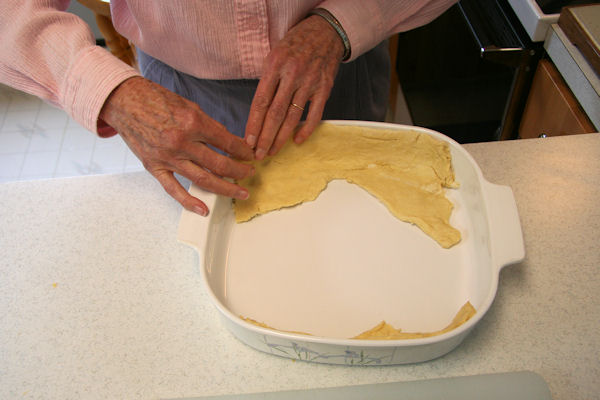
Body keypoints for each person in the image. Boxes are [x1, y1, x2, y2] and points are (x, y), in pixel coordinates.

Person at [1, 1, 457, 216]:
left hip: (334, 68)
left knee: (351, 226)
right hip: (181, 94)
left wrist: (341, 22)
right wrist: (113, 94)